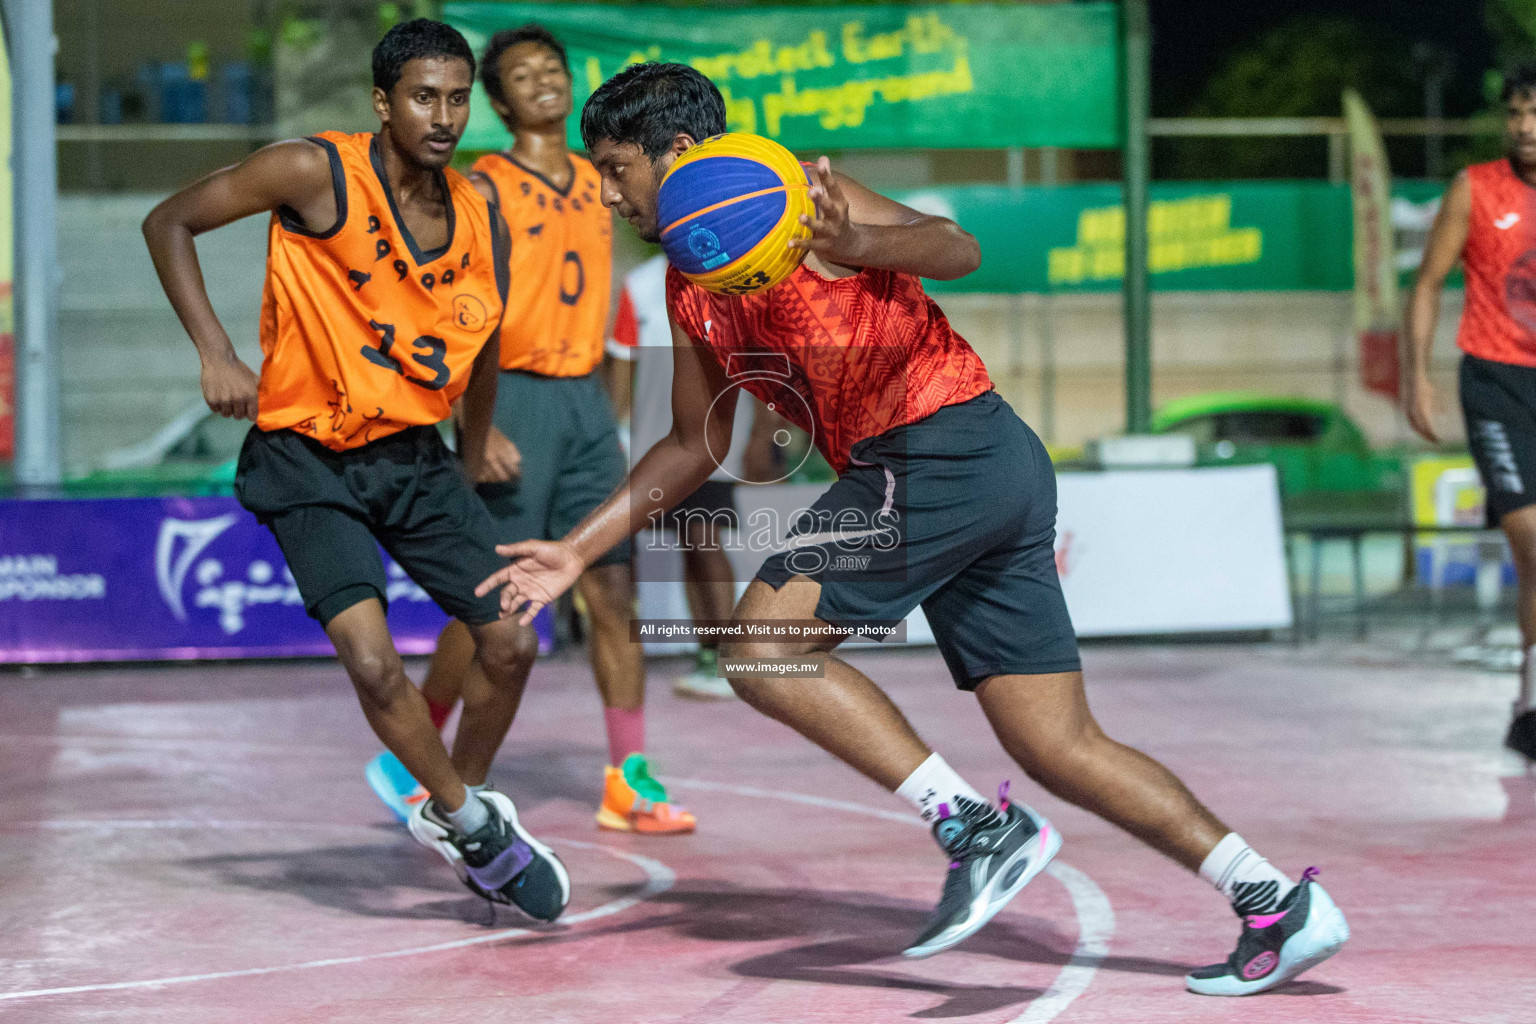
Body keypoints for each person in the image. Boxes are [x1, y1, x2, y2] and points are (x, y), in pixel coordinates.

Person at [475, 62, 1349, 994]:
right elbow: (698, 441)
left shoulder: (798, 195)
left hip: (936, 450)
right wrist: (576, 548)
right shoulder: (691, 285)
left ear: (680, 156)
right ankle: (1273, 900)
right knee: (1057, 744)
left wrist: (857, 236)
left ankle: (977, 827)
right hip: (978, 465)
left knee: (758, 648)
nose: (604, 191)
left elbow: (958, 249)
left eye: (614, 168)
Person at [142, 18, 568, 921]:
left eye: (457, 98)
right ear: (384, 102)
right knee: (376, 666)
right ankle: (469, 820)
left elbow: (484, 339)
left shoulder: (479, 211)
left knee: (512, 638)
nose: (444, 115)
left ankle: (463, 812)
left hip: (415, 459)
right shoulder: (315, 170)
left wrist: (473, 440)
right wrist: (216, 353)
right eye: (424, 96)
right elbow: (168, 219)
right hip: (305, 460)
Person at [367, 25, 694, 836]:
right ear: (500, 100)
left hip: (584, 399)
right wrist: (460, 413)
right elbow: (437, 300)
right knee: (497, 601)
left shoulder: (606, 176)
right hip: (506, 396)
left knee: (612, 590)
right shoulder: (482, 184)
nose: (542, 80)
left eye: (553, 67)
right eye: (521, 73)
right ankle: (411, 755)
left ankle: (629, 780)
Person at [1407, 64, 1536, 762]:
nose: (1525, 126)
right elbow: (1426, 283)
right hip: (1498, 382)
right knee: (1534, 542)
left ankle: (1530, 699)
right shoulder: (1476, 188)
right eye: (1516, 113)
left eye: (1535, 112)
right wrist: (1415, 378)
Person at [609, 253, 780, 699]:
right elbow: (623, 366)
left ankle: (730, 656)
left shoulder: (733, 274)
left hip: (717, 435)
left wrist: (762, 431)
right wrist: (619, 436)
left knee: (705, 537)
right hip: (661, 441)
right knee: (691, 541)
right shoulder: (641, 282)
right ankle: (711, 654)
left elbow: (761, 361)